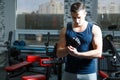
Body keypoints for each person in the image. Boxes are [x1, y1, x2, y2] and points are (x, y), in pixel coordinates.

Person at [56, 2, 103, 80]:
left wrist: (78, 54)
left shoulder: (94, 29)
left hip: (88, 73)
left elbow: (98, 53)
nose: (77, 21)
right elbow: (59, 54)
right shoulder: (65, 30)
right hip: (69, 72)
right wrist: (67, 49)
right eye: (74, 17)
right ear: (71, 14)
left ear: (85, 14)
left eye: (79, 17)